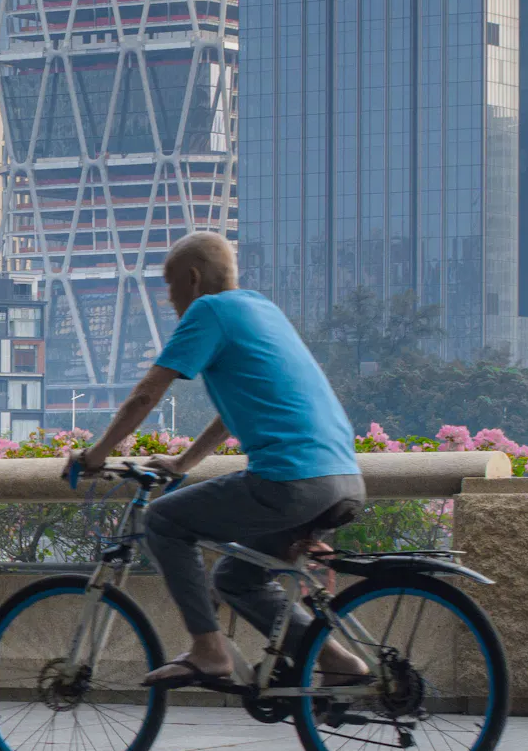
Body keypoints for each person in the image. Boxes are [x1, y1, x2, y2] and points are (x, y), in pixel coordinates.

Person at [67, 232, 367, 691]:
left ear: (191, 278)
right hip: (342, 480)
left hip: (290, 481)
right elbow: (235, 413)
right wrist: (184, 462)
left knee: (166, 519)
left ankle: (208, 650)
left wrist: (96, 454)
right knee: (238, 578)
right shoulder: (261, 309)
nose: (171, 302)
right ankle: (334, 660)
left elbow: (147, 393)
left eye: (170, 290)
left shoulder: (208, 310)